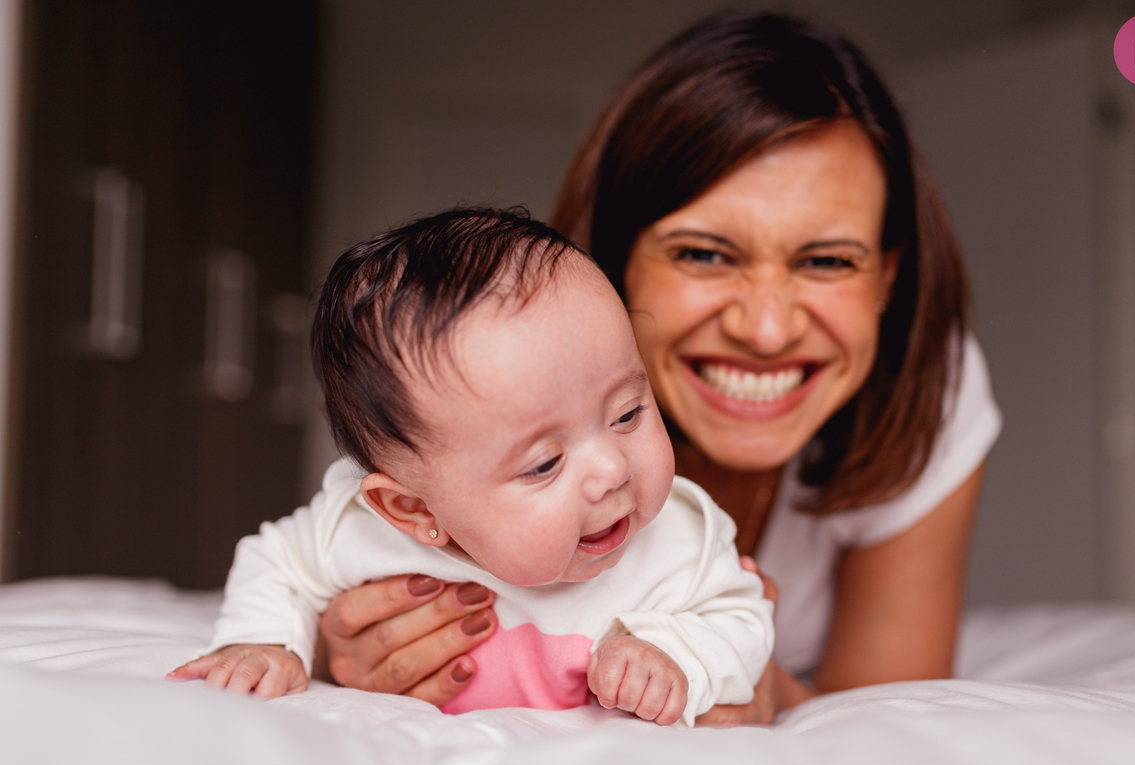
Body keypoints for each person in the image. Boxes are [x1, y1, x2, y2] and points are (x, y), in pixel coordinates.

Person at [313, 12, 1001, 724]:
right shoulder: (494, 383)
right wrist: (340, 646)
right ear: (614, 264)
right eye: (703, 254)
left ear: (886, 276)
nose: (767, 330)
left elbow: (885, 713)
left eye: (827, 261)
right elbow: (316, 570)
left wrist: (758, 685)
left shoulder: (927, 386)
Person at [168, 208, 774, 728]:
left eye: (627, 413)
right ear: (412, 509)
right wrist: (265, 641)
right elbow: (277, 561)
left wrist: (676, 655)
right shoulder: (360, 535)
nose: (612, 471)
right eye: (544, 463)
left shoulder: (678, 541)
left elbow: (742, 621)